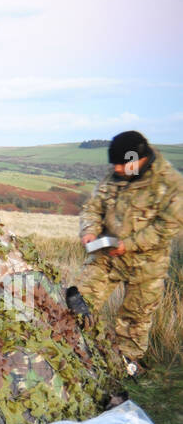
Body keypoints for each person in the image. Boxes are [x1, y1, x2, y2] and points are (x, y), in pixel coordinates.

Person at [76, 130, 183, 371]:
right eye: (114, 165)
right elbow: (92, 208)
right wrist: (89, 231)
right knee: (78, 304)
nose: (116, 170)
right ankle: (73, 351)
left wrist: (129, 245)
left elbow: (168, 226)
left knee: (135, 321)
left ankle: (125, 368)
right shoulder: (115, 175)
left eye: (122, 165)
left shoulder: (170, 184)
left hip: (147, 265)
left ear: (139, 158)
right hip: (106, 257)